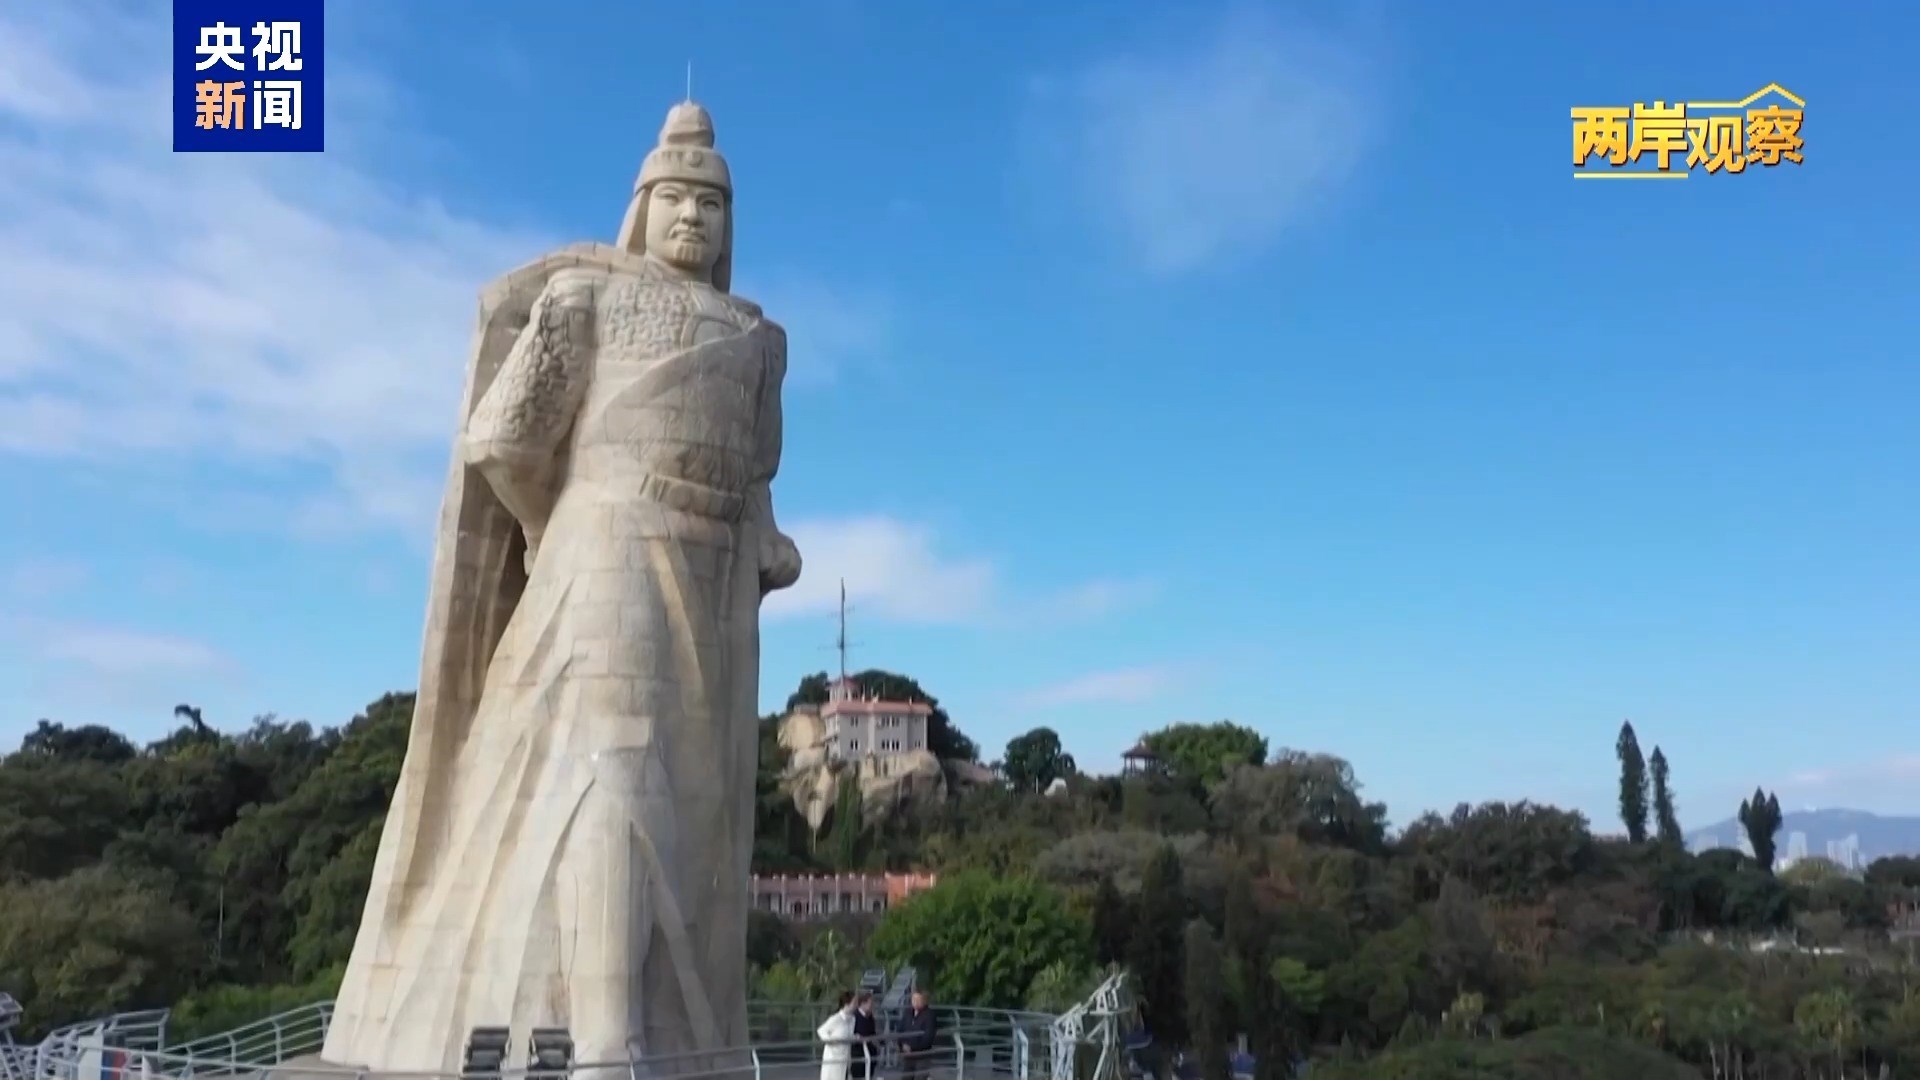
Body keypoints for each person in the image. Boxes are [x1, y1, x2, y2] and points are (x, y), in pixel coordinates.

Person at [898, 990, 938, 1080]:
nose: (915, 1002)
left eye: (918, 999)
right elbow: (900, 1030)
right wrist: (902, 1045)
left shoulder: (930, 1015)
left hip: (922, 1055)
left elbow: (928, 1037)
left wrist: (912, 1047)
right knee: (906, 1077)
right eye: (913, 999)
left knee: (920, 1077)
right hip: (908, 1055)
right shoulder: (907, 1013)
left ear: (923, 1000)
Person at [818, 992, 857, 1080]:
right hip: (834, 1056)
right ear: (847, 1004)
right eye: (854, 1003)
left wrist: (855, 1037)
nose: (856, 1005)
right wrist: (831, 1041)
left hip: (845, 1057)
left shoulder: (852, 1019)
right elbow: (821, 1031)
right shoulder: (836, 1019)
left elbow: (849, 1035)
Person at [850, 992, 877, 1080]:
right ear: (863, 1003)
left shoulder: (870, 1017)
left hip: (869, 1050)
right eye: (870, 1003)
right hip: (857, 1051)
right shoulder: (854, 1017)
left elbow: (872, 1032)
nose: (872, 1006)